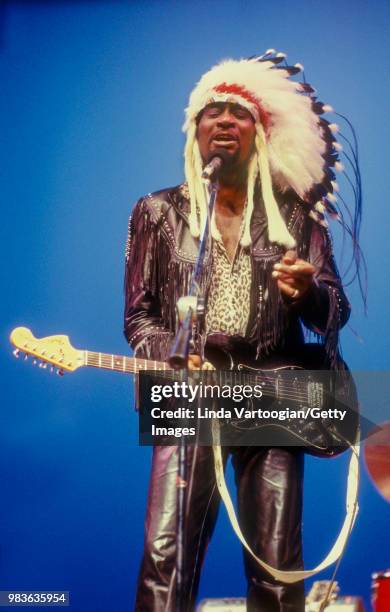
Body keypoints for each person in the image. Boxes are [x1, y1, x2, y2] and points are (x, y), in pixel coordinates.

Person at [124, 52, 351, 611]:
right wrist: (171, 355)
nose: (224, 120)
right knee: (165, 555)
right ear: (195, 131)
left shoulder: (297, 216)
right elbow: (139, 317)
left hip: (273, 388)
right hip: (187, 391)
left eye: (239, 113)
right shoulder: (156, 212)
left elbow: (336, 310)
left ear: (260, 132)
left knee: (277, 560)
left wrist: (307, 292)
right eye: (211, 112)